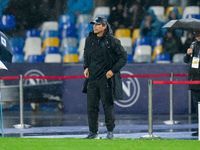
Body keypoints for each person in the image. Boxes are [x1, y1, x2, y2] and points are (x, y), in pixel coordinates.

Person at [83, 16, 127, 139]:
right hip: (92, 79)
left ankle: (110, 132)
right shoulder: (89, 39)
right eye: (94, 24)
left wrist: (112, 71)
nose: (94, 26)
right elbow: (86, 53)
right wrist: (86, 67)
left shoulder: (112, 41)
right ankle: (93, 132)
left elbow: (123, 57)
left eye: (97, 24)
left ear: (104, 26)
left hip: (105, 79)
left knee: (107, 105)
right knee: (91, 106)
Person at [183, 29, 200, 136]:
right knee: (197, 106)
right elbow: (186, 60)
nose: (197, 36)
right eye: (196, 34)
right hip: (194, 79)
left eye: (199, 34)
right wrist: (188, 54)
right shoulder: (193, 44)